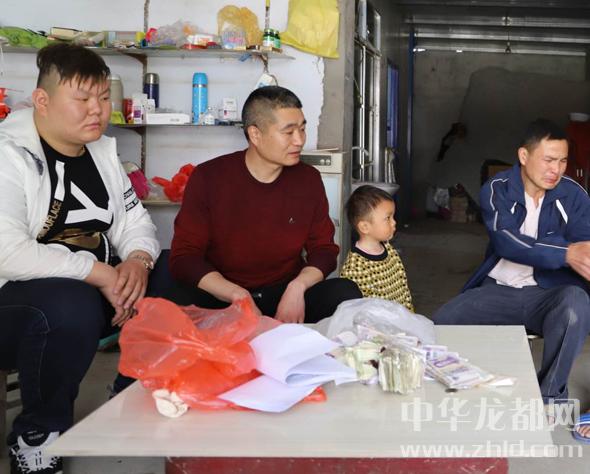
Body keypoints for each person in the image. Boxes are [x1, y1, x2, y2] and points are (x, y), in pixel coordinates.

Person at [0, 43, 167, 474]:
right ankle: (38, 435)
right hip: (17, 303)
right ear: (42, 100)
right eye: (83, 98)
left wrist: (137, 262)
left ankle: (130, 394)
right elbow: (8, 252)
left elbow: (136, 222)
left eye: (104, 97)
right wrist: (100, 274)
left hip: (92, 289)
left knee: (173, 274)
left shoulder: (102, 153)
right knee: (67, 303)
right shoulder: (8, 155)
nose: (98, 110)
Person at [168, 85, 362, 323]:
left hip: (283, 295)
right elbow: (185, 258)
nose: (299, 140)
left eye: (302, 129)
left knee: (345, 293)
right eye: (288, 132)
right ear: (255, 134)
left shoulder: (308, 179)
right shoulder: (209, 177)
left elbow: (324, 250)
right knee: (167, 293)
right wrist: (237, 295)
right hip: (224, 295)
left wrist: (297, 287)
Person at [433, 118, 590, 409]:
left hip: (549, 294)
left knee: (575, 304)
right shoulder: (497, 188)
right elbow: (507, 241)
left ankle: (550, 398)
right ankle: (461, 392)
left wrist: (579, 256)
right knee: (442, 324)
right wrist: (565, 252)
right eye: (549, 160)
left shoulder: (574, 196)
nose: (556, 170)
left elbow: (585, 246)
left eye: (563, 161)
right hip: (499, 290)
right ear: (524, 156)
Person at [340, 185, 414, 311]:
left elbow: (403, 289)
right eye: (388, 218)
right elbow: (360, 311)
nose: (394, 222)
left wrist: (410, 315)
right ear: (365, 227)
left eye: (393, 217)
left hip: (401, 319)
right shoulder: (356, 267)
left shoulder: (390, 251)